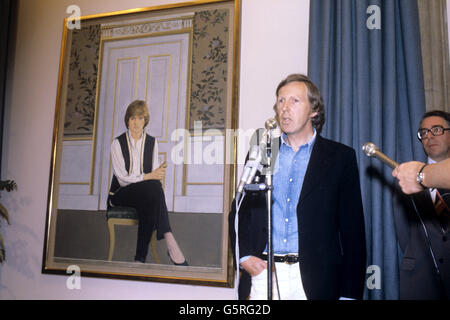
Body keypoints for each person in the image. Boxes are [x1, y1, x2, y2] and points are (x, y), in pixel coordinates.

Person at [229, 74, 366, 300]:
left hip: (315, 279)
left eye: (294, 101)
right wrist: (244, 256)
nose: (285, 108)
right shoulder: (262, 152)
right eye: (281, 101)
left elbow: (353, 232)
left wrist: (349, 294)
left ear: (314, 110)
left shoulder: (340, 158)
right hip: (265, 274)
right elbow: (239, 211)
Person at [108, 100, 187, 265]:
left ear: (145, 121)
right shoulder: (117, 143)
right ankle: (169, 237)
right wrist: (148, 176)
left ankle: (139, 259)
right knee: (152, 187)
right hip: (121, 194)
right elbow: (122, 178)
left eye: (140, 118)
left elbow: (154, 176)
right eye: (132, 118)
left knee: (152, 195)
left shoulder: (152, 142)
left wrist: (154, 176)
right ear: (127, 120)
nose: (136, 123)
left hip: (145, 193)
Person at [392, 110, 450, 299]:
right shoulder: (406, 177)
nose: (429, 136)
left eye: (436, 129)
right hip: (420, 280)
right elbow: (403, 233)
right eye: (424, 132)